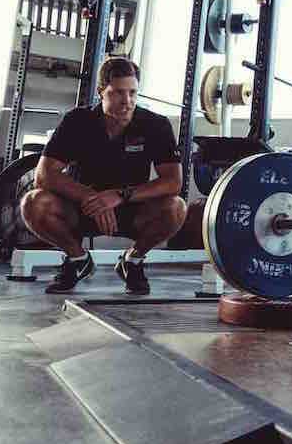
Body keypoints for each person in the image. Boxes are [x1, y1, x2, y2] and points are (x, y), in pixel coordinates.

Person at [21, 57, 187, 295]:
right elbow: (44, 175)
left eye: (133, 92)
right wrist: (92, 197)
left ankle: (133, 261)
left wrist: (120, 195)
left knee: (176, 207)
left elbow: (173, 182)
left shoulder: (155, 125)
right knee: (33, 203)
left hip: (131, 209)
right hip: (82, 208)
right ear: (101, 92)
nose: (127, 101)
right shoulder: (77, 120)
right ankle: (78, 259)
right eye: (118, 92)